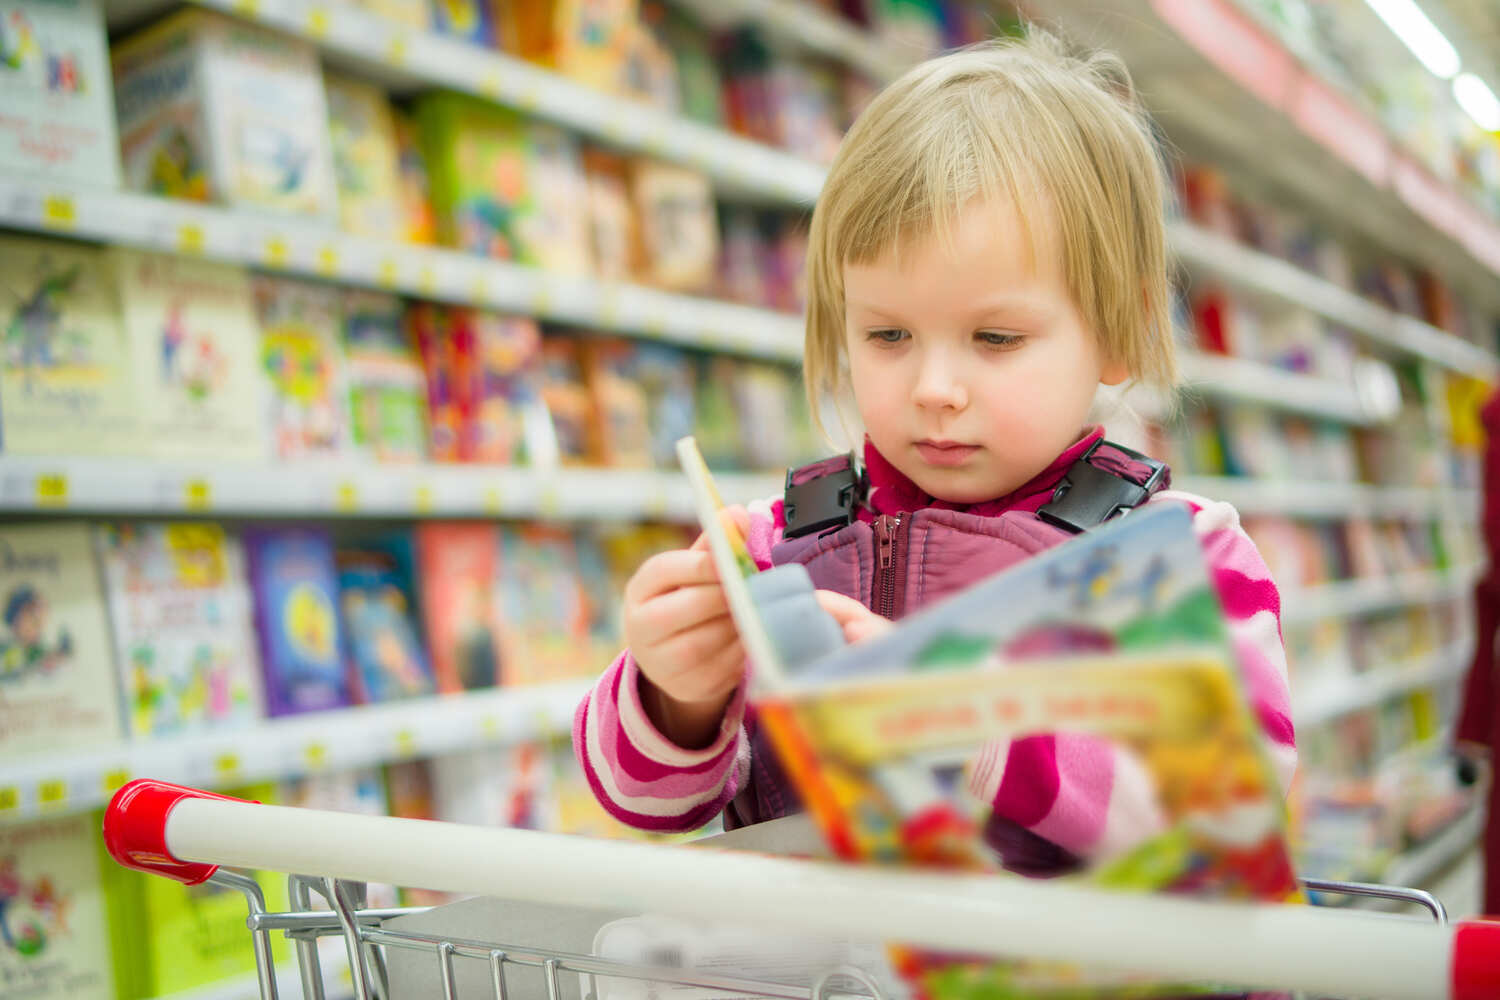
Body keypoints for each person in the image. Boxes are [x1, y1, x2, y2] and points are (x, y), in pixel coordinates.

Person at [573, 28, 1295, 874]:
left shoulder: (1182, 556)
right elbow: (649, 804)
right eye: (888, 334)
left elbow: (1238, 823)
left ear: (1119, 331)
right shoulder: (781, 551)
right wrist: (673, 693)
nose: (934, 388)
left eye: (994, 337)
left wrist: (965, 716)